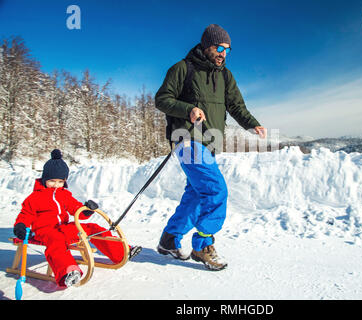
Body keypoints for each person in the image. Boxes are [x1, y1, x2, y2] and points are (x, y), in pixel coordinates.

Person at [155, 24, 266, 271]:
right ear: (207, 46)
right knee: (216, 190)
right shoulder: (182, 68)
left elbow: (237, 106)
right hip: (186, 138)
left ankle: (169, 239)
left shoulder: (226, 76)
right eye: (219, 47)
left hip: (210, 141)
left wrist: (253, 125)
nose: (223, 53)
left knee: (197, 194)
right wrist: (188, 109)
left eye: (227, 49)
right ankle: (203, 244)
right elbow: (162, 99)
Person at [13, 149, 142, 287]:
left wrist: (86, 210)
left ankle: (121, 252)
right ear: (44, 179)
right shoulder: (34, 198)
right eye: (52, 181)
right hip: (45, 232)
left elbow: (76, 210)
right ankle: (68, 271)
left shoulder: (64, 194)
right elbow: (26, 214)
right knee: (55, 241)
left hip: (63, 228)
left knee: (93, 228)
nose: (56, 185)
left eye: (60, 181)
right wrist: (21, 225)